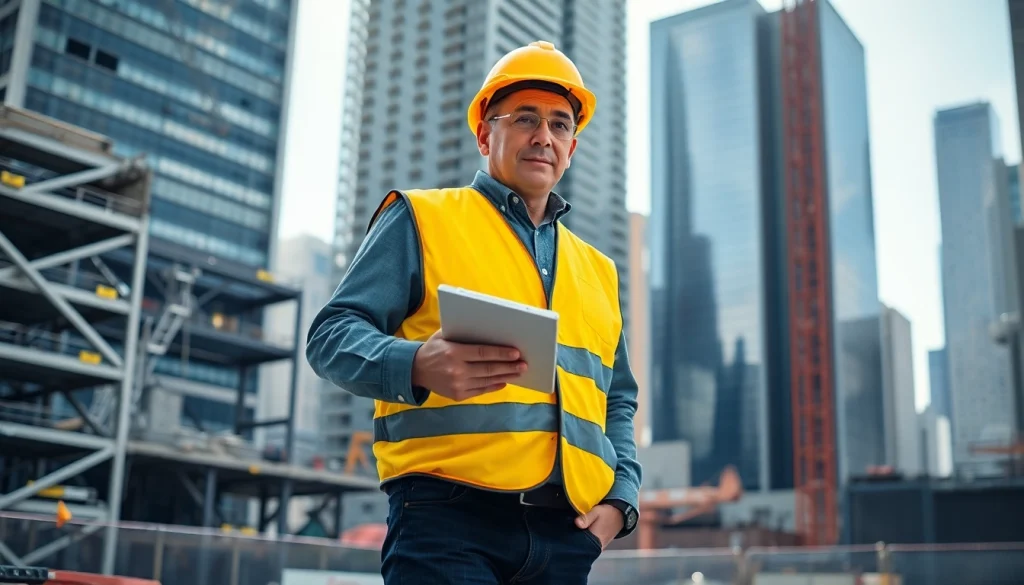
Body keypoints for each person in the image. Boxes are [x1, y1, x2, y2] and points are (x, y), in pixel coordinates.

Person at [306, 40, 642, 584]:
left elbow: (618, 401)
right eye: (526, 119)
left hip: (566, 537)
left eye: (560, 125)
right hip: (445, 524)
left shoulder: (597, 269)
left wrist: (620, 503)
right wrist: (416, 363)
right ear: (486, 135)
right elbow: (330, 337)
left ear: (572, 148)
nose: (544, 136)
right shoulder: (421, 218)